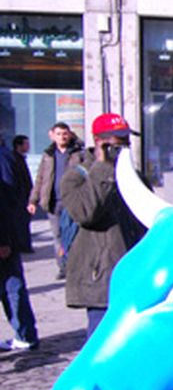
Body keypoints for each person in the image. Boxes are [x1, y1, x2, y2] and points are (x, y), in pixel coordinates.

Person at [60, 113, 146, 340]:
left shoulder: (132, 176)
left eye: (127, 142)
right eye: (118, 144)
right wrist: (103, 167)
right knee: (102, 341)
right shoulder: (76, 177)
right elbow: (87, 212)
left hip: (132, 271)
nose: (124, 149)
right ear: (99, 142)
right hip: (101, 276)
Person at [28, 122, 85, 279]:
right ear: (52, 135)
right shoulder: (48, 155)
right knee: (58, 236)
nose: (62, 137)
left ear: (70, 134)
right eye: (59, 134)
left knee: (74, 234)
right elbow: (40, 179)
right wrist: (33, 200)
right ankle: (63, 266)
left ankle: (75, 265)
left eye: (65, 133)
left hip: (72, 201)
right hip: (53, 203)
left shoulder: (78, 153)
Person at [0, 136, 39, 351]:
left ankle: (25, 334)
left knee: (12, 288)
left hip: (5, 237)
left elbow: (6, 202)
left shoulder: (3, 159)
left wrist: (5, 239)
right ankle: (24, 333)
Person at [7, 135, 33, 252]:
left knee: (24, 221)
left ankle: (25, 245)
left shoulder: (21, 158)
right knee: (20, 222)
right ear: (19, 146)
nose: (28, 146)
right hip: (19, 196)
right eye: (26, 144)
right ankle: (22, 245)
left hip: (24, 194)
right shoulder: (14, 159)